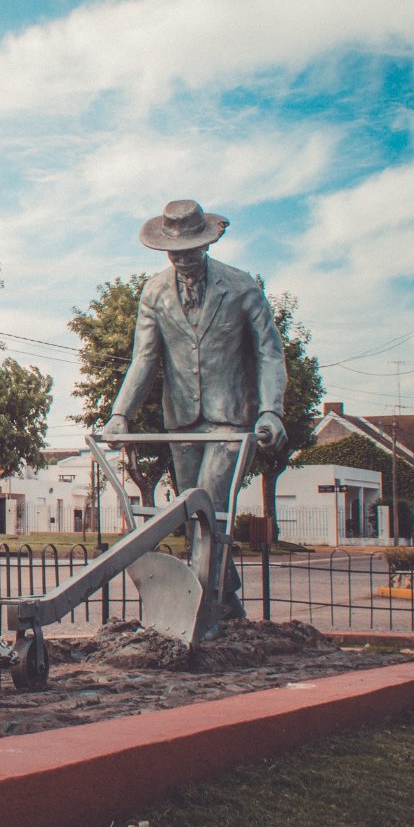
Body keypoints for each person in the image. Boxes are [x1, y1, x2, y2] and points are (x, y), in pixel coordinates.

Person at [101, 199, 287, 613]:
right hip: (182, 421)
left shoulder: (241, 287)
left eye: (190, 250)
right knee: (191, 515)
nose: (182, 259)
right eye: (175, 252)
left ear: (206, 245)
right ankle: (227, 599)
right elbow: (145, 359)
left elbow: (270, 353)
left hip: (230, 420)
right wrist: (120, 415)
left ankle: (202, 603)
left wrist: (270, 409)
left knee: (209, 502)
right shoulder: (154, 292)